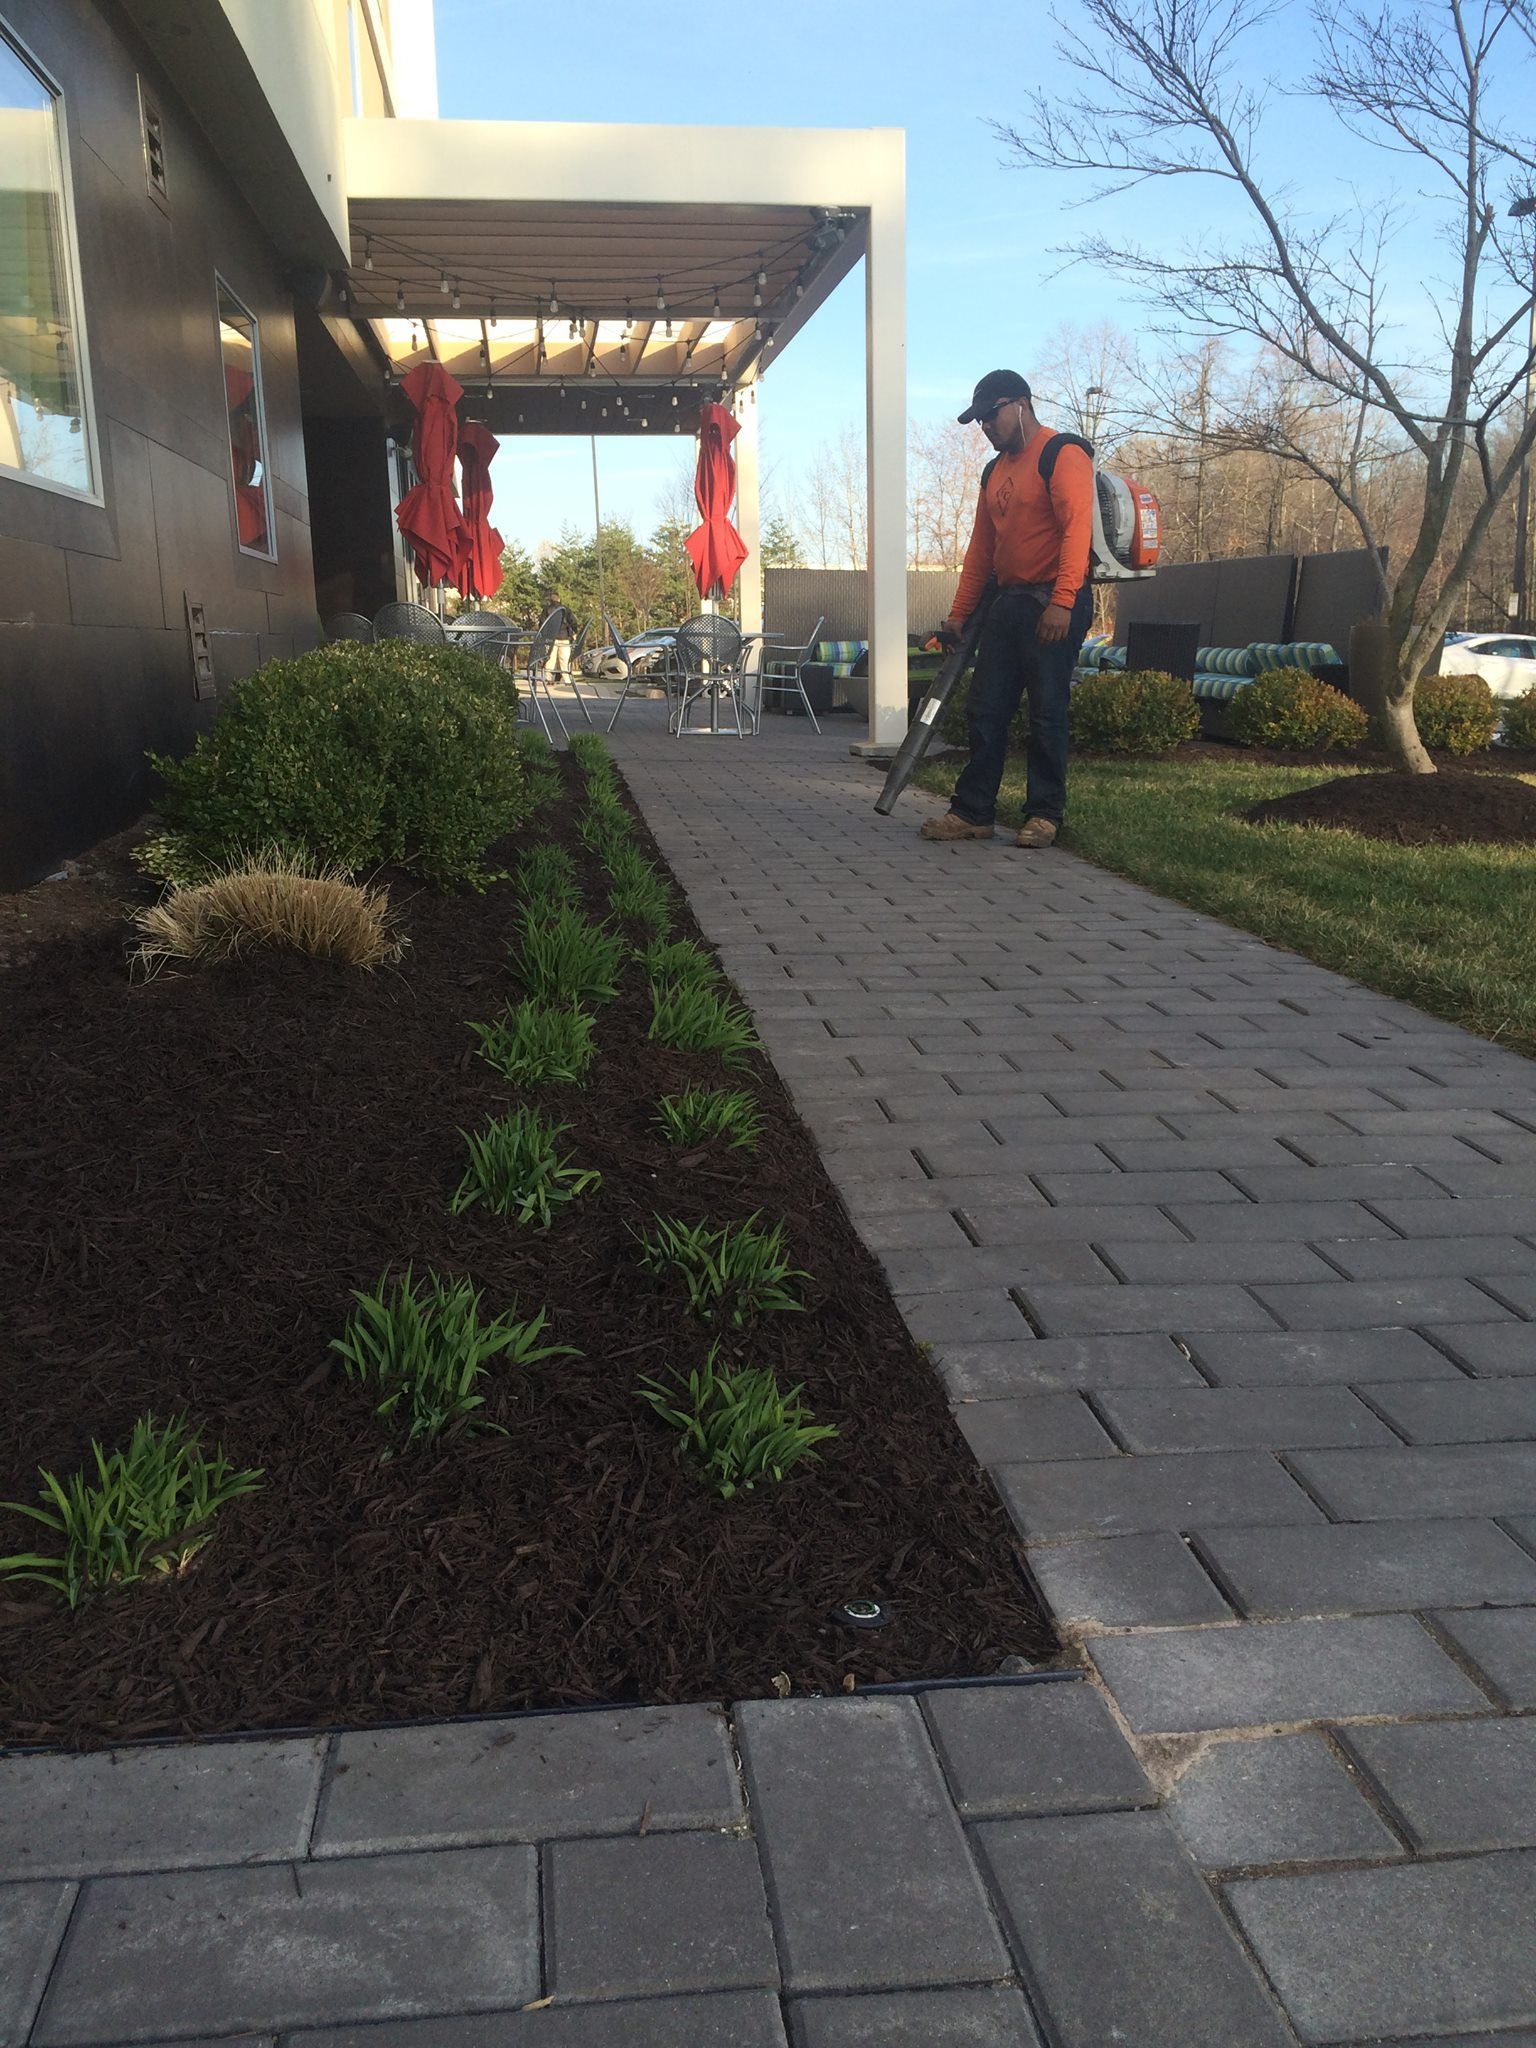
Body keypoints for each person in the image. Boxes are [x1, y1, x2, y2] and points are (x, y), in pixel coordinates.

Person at [921, 370, 1095, 850]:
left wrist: (1062, 603)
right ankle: (973, 812)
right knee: (986, 708)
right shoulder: (993, 471)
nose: (985, 428)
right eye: (979, 422)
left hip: (1054, 602)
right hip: (1008, 602)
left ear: (1019, 404)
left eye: (990, 416)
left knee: (1046, 711)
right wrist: (959, 612)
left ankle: (1044, 814)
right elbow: (981, 550)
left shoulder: (1063, 453)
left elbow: (1076, 531)